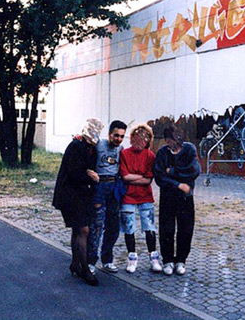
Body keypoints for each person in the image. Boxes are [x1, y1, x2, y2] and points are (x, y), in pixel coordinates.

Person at [52, 118, 104, 286]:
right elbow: (75, 173)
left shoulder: (91, 149)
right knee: (84, 230)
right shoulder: (76, 146)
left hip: (81, 195)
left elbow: (90, 171)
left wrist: (93, 178)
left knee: (78, 229)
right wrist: (92, 179)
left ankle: (75, 264)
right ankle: (85, 269)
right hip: (70, 195)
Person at [153, 126, 201, 276]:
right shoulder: (162, 153)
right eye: (172, 139)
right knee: (166, 228)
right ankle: (167, 260)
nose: (175, 142)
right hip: (168, 197)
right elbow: (159, 176)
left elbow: (194, 170)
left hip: (185, 198)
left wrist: (172, 171)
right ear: (167, 140)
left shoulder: (189, 149)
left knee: (185, 229)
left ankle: (181, 260)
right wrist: (179, 184)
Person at [119, 123, 162, 273]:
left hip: (145, 196)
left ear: (148, 141)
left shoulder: (150, 156)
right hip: (128, 196)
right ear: (131, 138)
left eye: (143, 140)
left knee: (149, 227)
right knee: (129, 227)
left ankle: (154, 258)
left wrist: (133, 178)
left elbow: (148, 180)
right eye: (136, 139)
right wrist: (139, 177)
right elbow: (124, 176)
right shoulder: (124, 154)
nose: (139, 143)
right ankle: (132, 258)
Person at [87, 120, 127, 274]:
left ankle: (107, 260)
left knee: (113, 226)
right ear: (110, 133)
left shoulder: (120, 149)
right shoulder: (98, 144)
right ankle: (90, 261)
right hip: (99, 187)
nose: (118, 139)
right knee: (96, 225)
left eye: (121, 136)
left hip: (114, 188)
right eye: (116, 135)